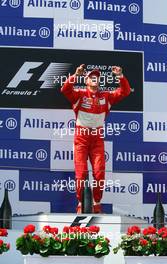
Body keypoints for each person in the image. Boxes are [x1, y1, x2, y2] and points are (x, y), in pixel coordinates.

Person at [61, 64, 131, 213]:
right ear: (86, 80)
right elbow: (65, 90)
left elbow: (125, 91)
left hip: (97, 137)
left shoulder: (106, 96)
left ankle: (96, 203)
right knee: (81, 174)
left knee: (99, 172)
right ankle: (81, 203)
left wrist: (120, 76)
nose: (95, 78)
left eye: (97, 77)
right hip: (81, 138)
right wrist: (75, 75)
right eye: (91, 76)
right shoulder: (79, 94)